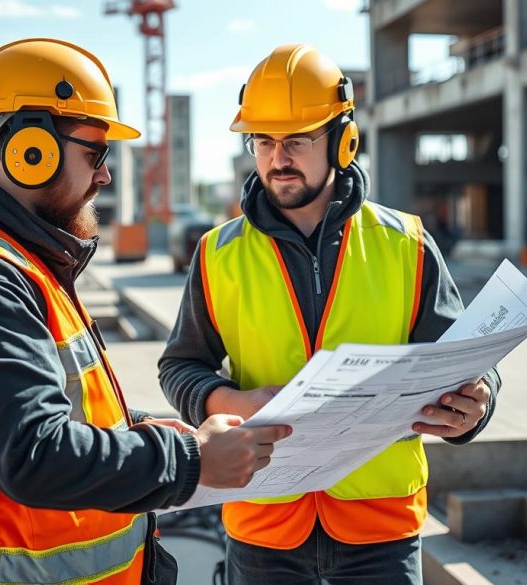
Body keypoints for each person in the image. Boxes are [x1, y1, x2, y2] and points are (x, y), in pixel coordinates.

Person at [0, 38, 290, 585]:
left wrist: (152, 429)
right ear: (32, 151)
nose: (105, 176)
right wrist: (190, 459)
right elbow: (35, 454)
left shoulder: (20, 262)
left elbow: (61, 413)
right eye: (95, 154)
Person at [158, 44, 502, 585]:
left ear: (344, 141)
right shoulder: (217, 253)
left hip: (380, 528)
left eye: (296, 140)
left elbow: (464, 361)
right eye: (264, 141)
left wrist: (476, 407)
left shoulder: (405, 244)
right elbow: (179, 367)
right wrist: (235, 401)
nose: (278, 158)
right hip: (264, 524)